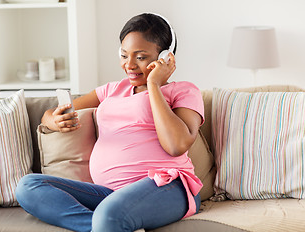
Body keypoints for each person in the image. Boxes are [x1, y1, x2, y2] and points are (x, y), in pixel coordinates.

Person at [15, 13, 204, 232]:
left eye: (140, 57)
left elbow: (176, 145)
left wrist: (154, 85)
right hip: (111, 195)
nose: (129, 65)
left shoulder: (183, 90)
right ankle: (106, 226)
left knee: (109, 214)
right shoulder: (112, 90)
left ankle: (109, 223)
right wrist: (55, 120)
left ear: (165, 57)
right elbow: (50, 114)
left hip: (168, 187)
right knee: (28, 186)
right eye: (124, 55)